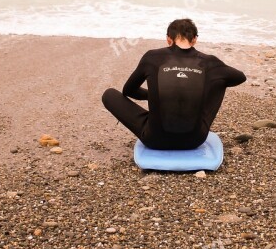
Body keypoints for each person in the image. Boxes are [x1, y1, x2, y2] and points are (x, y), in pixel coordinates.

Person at [102, 18, 246, 150]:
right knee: (221, 80)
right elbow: (240, 77)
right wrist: (201, 88)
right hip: (195, 140)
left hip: (154, 139)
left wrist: (155, 96)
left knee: (109, 94)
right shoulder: (210, 62)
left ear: (168, 39)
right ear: (194, 40)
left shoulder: (152, 57)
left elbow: (128, 90)